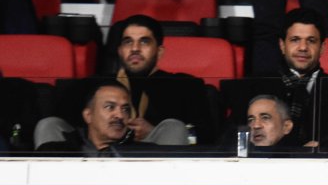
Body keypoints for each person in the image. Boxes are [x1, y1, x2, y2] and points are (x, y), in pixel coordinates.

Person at [34, 15, 212, 148]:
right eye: (128, 42)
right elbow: (64, 125)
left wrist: (153, 131)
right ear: (119, 50)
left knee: (174, 127)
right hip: (93, 157)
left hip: (150, 159)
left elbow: (207, 136)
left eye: (144, 42)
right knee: (48, 124)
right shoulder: (92, 84)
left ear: (159, 51)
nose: (135, 48)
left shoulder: (185, 86)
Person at [223, 8, 328, 149]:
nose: (303, 48)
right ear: (282, 45)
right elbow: (229, 140)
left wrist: (323, 148)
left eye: (311, 41)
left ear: (322, 47)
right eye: (295, 40)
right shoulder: (254, 85)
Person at [37, 81, 147, 156]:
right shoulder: (55, 153)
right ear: (88, 116)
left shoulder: (144, 154)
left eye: (125, 109)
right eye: (110, 107)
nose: (120, 115)